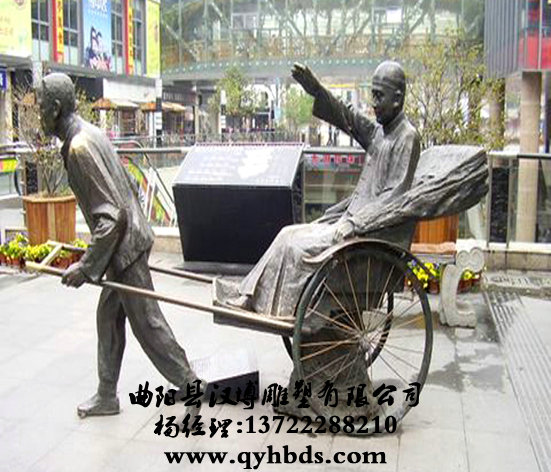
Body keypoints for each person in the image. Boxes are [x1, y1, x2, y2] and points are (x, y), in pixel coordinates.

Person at [37, 73, 202, 418]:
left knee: (147, 323)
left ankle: (190, 384)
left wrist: (86, 267)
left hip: (124, 248)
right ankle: (106, 395)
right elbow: (127, 185)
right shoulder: (90, 133)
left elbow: (111, 217)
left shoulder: (80, 147)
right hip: (124, 243)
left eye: (41, 106)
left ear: (55, 108)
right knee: (109, 317)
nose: (38, 112)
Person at [229, 61, 421, 318]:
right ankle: (251, 294)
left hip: (366, 233)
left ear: (397, 99)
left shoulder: (407, 137)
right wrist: (317, 90)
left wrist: (355, 223)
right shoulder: (381, 132)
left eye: (379, 96)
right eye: (372, 94)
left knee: (297, 249)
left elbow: (393, 199)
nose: (373, 102)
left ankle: (283, 307)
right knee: (287, 234)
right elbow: (348, 117)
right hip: (351, 222)